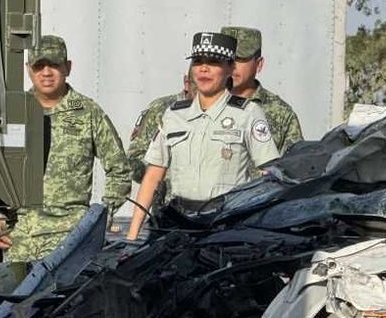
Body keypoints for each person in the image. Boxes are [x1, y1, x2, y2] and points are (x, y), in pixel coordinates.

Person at [0, 35, 131, 261]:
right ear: (28, 69)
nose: (46, 72)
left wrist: (98, 220)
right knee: (16, 296)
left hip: (69, 238)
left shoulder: (87, 112)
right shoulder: (12, 112)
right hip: (20, 238)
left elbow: (119, 170)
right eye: (39, 66)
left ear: (67, 67)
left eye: (54, 65)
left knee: (62, 297)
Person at [127, 32, 279, 240]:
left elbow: (268, 174)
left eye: (214, 62)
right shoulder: (174, 114)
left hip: (224, 225)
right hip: (177, 224)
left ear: (230, 68)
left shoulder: (248, 113)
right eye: (198, 62)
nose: (204, 68)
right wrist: (132, 236)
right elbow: (153, 175)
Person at [221, 26, 303, 154]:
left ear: (259, 64)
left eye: (241, 59)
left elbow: (293, 167)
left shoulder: (281, 114)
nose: (233, 65)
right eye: (227, 58)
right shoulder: (200, 104)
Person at [128, 73, 194, 184]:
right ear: (186, 82)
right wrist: (160, 176)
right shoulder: (161, 109)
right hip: (167, 198)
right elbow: (134, 158)